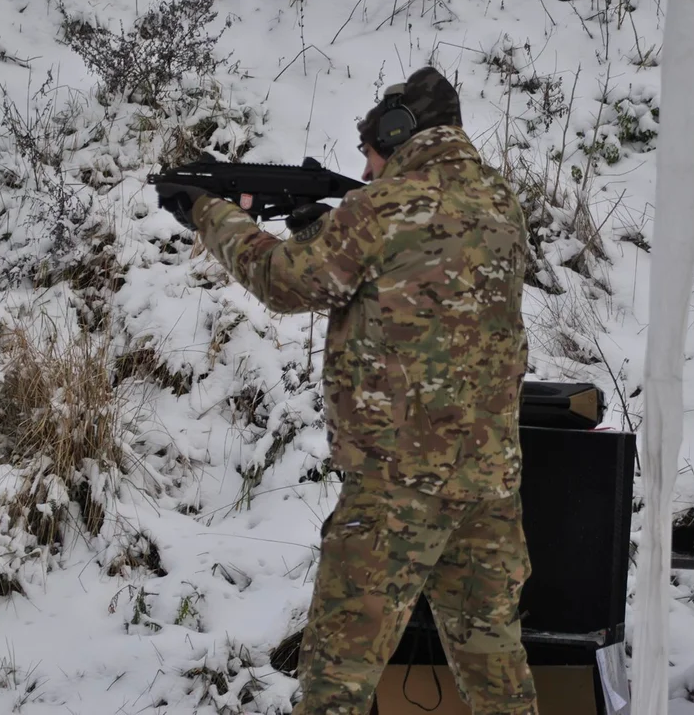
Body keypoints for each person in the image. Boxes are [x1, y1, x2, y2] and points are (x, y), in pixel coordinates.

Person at [156, 66, 538, 715]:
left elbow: (283, 282)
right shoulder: (501, 204)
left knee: (336, 687)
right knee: (498, 677)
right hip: (488, 489)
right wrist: (316, 227)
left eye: (368, 154)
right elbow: (415, 290)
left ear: (398, 131)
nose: (364, 173)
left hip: (397, 492)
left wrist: (209, 213)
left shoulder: (384, 207)